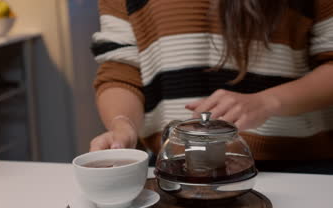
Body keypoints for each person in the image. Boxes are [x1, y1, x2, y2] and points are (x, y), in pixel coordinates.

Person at [89, 0, 333, 173]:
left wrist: (267, 102)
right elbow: (120, 69)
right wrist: (123, 124)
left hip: (297, 167)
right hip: (171, 168)